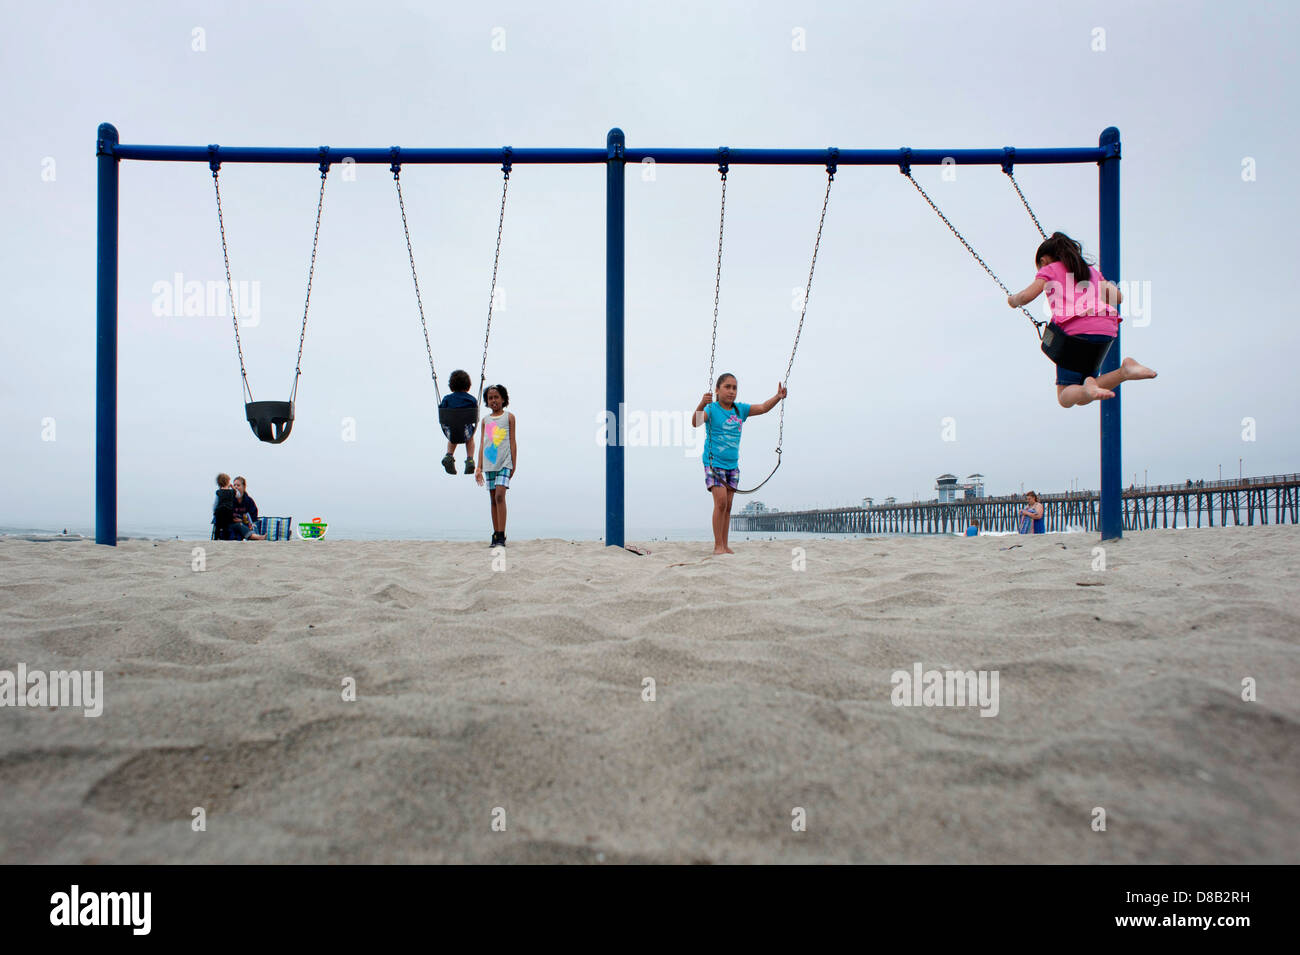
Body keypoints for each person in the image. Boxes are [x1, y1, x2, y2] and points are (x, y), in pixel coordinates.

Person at [1007, 231, 1156, 408]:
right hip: (1105, 330)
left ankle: (1092, 386)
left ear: (1043, 260)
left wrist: (1013, 300)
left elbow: (1025, 296)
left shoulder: (1049, 270)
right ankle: (1125, 371)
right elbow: (1118, 297)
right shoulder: (1090, 271)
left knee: (1064, 397)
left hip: (1076, 333)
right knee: (1085, 396)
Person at [692, 374, 787, 556]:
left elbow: (763, 408)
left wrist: (778, 397)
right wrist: (701, 404)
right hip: (714, 463)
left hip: (732, 465)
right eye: (727, 387)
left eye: (734, 388)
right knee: (720, 503)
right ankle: (717, 546)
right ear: (717, 390)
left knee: (727, 506)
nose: (731, 391)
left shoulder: (739, 410)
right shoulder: (711, 409)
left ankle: (725, 545)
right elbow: (695, 422)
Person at [475, 384, 516, 547]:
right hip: (489, 462)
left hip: (505, 461)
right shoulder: (485, 420)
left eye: (496, 397)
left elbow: (513, 440)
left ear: (503, 399)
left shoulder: (509, 417)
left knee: (500, 495)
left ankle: (502, 534)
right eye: (490, 398)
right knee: (493, 499)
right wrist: (478, 466)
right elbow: (482, 443)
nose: (493, 400)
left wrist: (514, 462)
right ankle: (496, 533)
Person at [440, 369, 479, 475]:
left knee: (454, 431)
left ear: (452, 386)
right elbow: (475, 416)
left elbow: (442, 412)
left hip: (450, 431)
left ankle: (449, 455)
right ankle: (470, 459)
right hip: (466, 432)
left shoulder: (446, 399)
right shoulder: (471, 400)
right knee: (470, 437)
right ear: (468, 385)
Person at [231, 476, 267, 540]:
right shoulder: (229, 499)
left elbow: (253, 515)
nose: (236, 487)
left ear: (244, 487)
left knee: (251, 525)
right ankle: (257, 537)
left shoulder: (248, 500)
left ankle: (255, 536)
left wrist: (243, 520)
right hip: (231, 523)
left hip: (246, 523)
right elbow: (224, 513)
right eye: (234, 485)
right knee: (239, 525)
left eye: (238, 485)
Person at [212, 473, 236, 540]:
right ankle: (225, 539)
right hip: (228, 511)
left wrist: (214, 512)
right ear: (227, 482)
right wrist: (233, 488)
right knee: (226, 527)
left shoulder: (218, 492)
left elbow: (215, 504)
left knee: (218, 526)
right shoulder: (231, 492)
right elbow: (237, 494)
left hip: (219, 511)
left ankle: (216, 538)